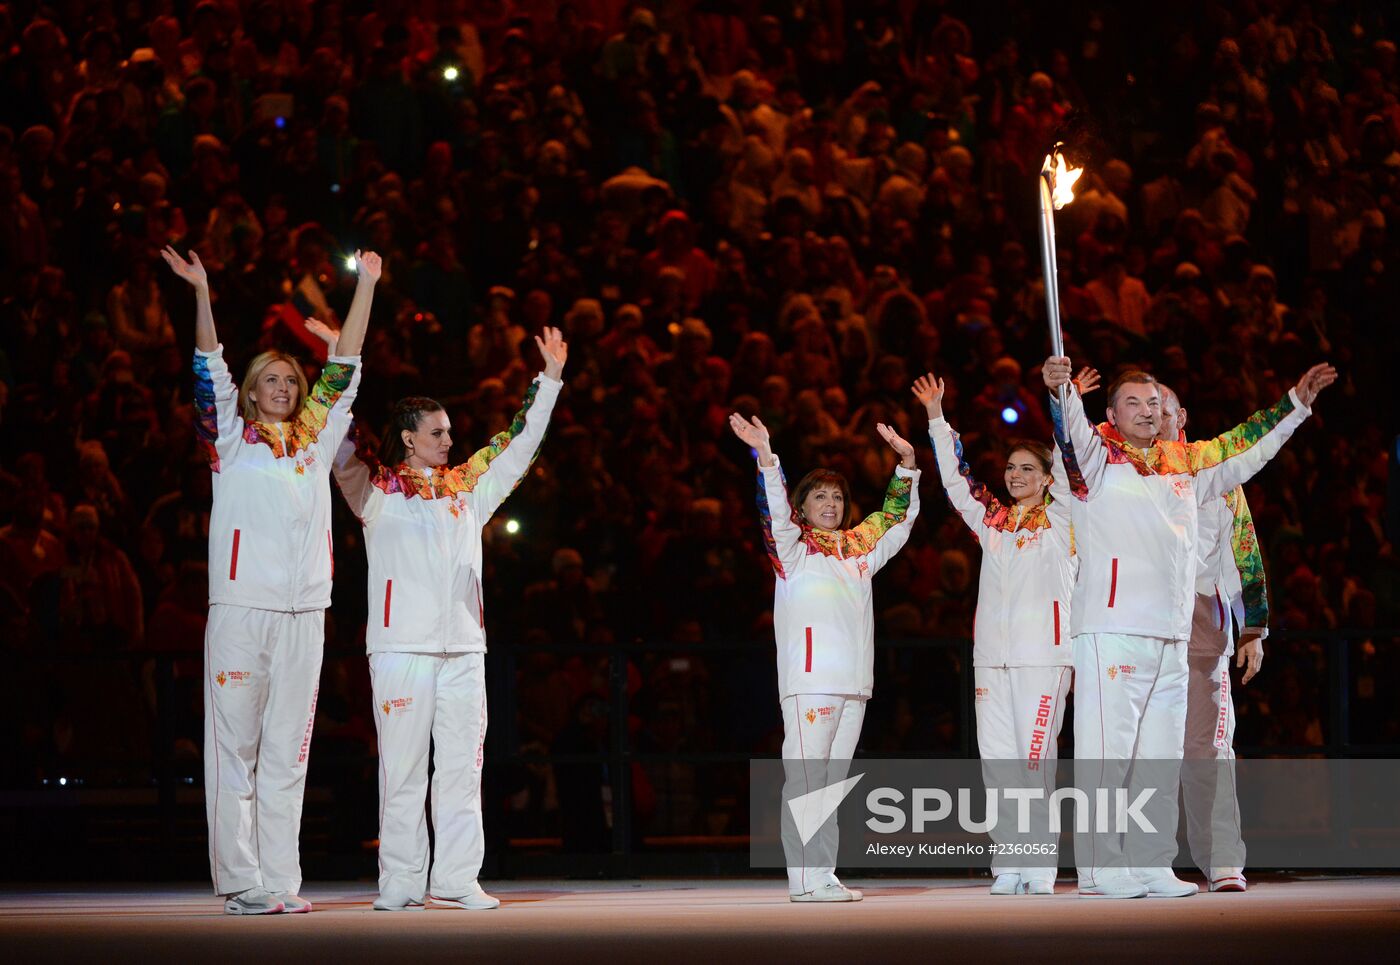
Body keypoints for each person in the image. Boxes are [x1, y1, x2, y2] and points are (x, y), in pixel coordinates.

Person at [1043, 356, 1336, 898]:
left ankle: (1153, 863)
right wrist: (1061, 395)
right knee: (1110, 756)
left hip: (1175, 636)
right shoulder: (1095, 461)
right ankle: (1101, 868)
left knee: (1158, 756)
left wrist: (1294, 405)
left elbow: (1246, 446)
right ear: (1111, 412)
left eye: (1154, 403)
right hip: (1112, 630)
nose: (1147, 411)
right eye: (1133, 402)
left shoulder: (1188, 464)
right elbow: (1071, 436)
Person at [162, 245, 380, 915]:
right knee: (237, 749)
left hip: (303, 613)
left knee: (288, 754)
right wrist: (201, 294)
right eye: (274, 382)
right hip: (241, 611)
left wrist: (366, 283)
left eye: (292, 381)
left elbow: (343, 366)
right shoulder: (228, 437)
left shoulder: (316, 438)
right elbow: (208, 369)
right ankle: (239, 880)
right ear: (254, 392)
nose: (286, 389)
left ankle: (280, 879)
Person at [331, 328, 567, 912]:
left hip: (464, 649)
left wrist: (551, 382)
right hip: (398, 650)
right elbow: (334, 436)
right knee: (403, 770)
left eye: (450, 432)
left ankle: (456, 879)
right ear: (408, 438)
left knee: (462, 769)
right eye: (437, 433)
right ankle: (401, 881)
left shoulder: (469, 488)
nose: (449, 439)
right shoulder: (374, 488)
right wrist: (338, 361)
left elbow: (517, 444)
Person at [913, 368, 1096, 896]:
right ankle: (1008, 864)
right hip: (992, 660)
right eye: (1010, 467)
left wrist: (1066, 406)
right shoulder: (994, 523)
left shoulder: (1065, 519)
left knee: (1035, 762)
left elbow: (1071, 463)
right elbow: (956, 482)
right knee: (998, 764)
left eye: (1025, 469)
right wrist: (936, 418)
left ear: (1045, 478)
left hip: (1045, 658)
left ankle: (1038, 866)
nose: (1014, 475)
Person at [729, 411, 919, 902]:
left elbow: (896, 519)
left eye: (837, 496)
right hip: (810, 682)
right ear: (803, 505)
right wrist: (767, 458)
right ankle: (805, 879)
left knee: (830, 785)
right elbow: (773, 509)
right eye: (819, 496)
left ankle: (821, 875)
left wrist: (907, 464)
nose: (830, 504)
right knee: (808, 780)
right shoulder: (791, 551)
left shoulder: (859, 549)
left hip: (854, 684)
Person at [1158, 385, 1265, 893]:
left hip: (1203, 624)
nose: (1155, 415)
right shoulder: (1122, 474)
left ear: (1182, 414)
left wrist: (1254, 628)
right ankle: (1139, 862)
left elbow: (1244, 551)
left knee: (1207, 748)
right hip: (1141, 625)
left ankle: (1221, 859)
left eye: (1164, 406)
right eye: (1144, 405)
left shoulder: (1220, 476)